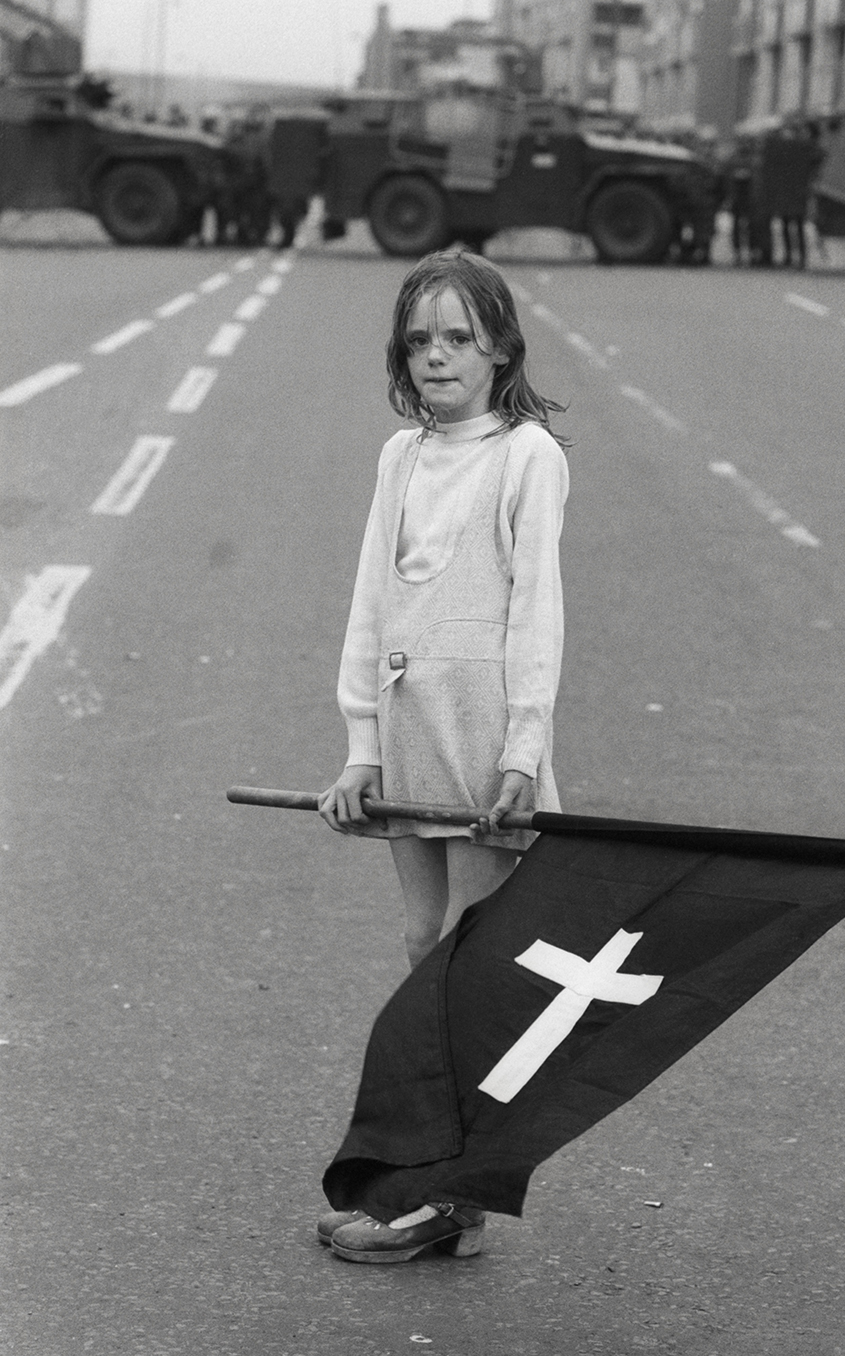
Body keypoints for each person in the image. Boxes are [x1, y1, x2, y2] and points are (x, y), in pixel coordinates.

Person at [315, 248, 570, 1262]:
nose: (435, 356)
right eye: (418, 338)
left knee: (464, 967)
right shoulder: (400, 455)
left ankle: (445, 1196)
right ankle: (429, 1186)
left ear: (499, 345)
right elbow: (372, 603)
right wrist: (357, 747)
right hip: (409, 721)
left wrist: (522, 747)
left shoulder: (526, 456)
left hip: (480, 732)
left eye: (457, 336)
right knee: (424, 948)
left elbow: (535, 611)